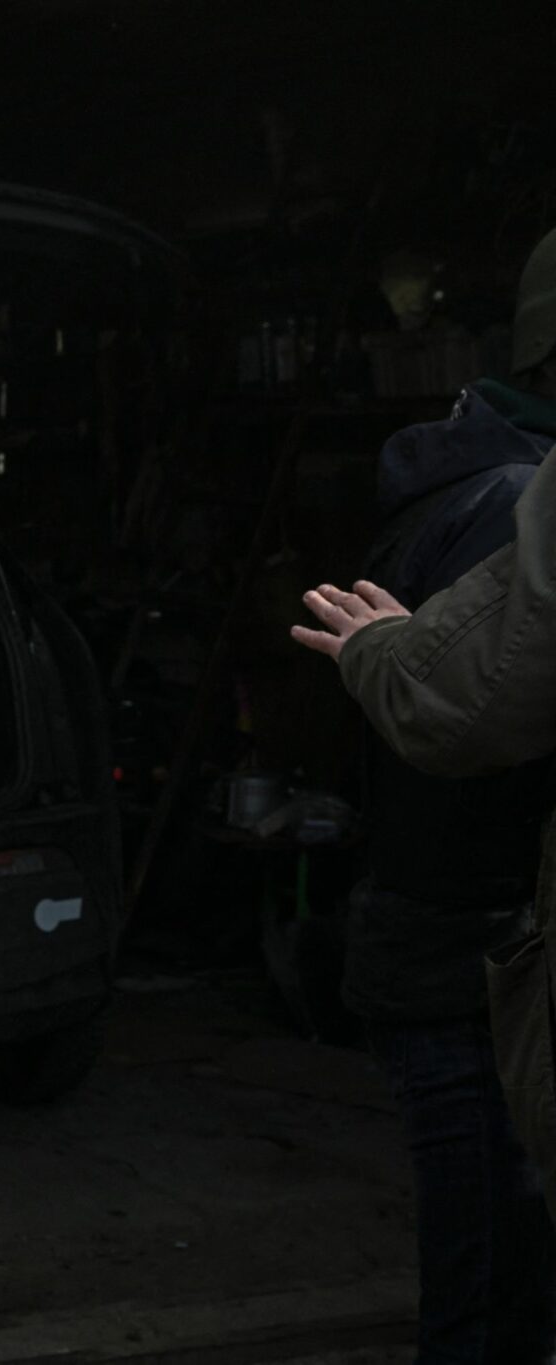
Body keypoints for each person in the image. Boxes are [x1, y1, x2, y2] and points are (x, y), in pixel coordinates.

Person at [294, 228, 556, 1327]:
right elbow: (470, 720)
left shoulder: (474, 471)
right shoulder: (510, 499)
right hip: (472, 937)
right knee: (493, 1265)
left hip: (441, 924)